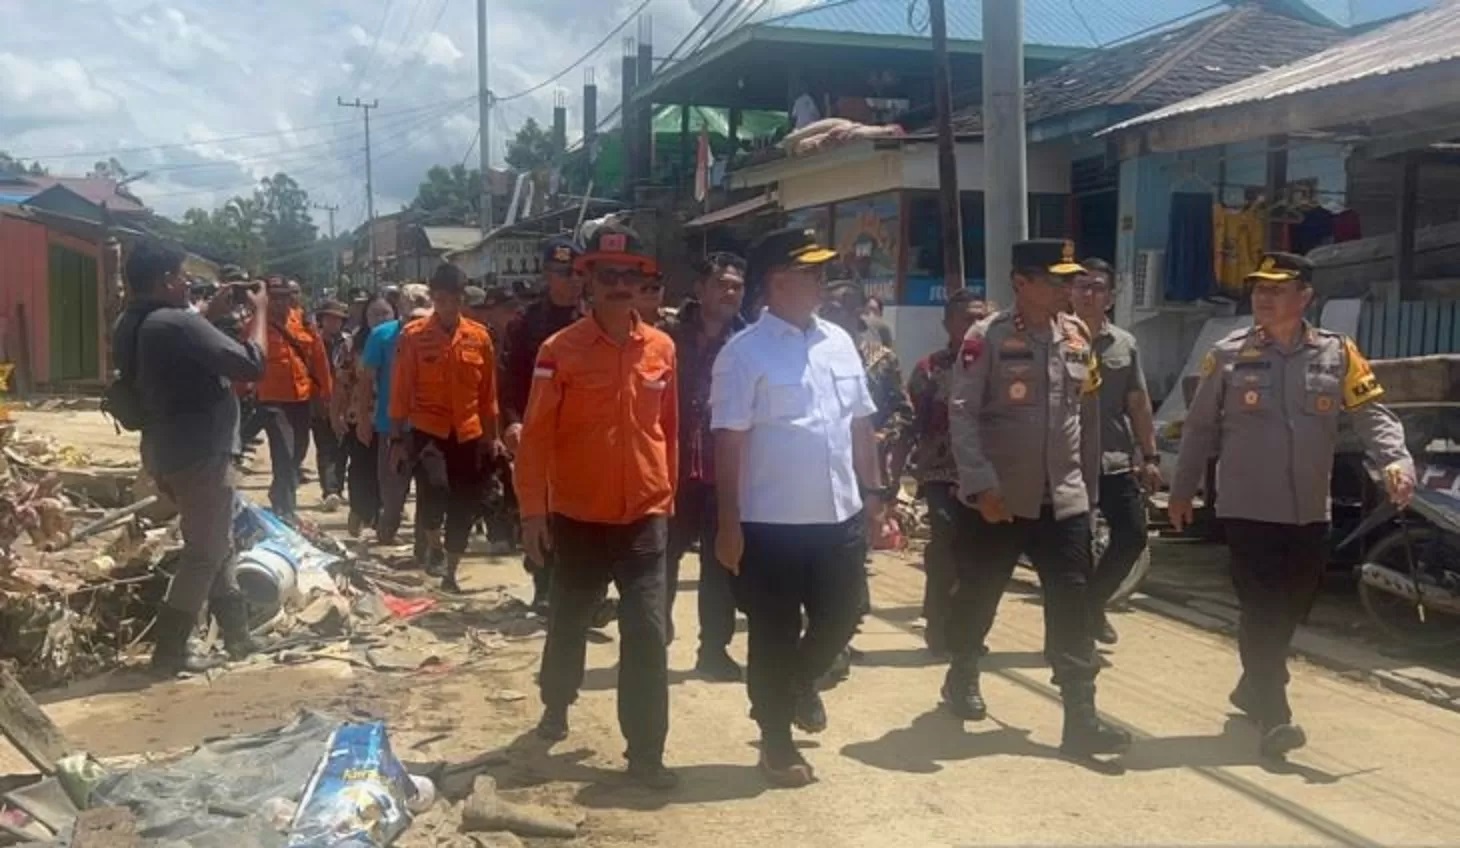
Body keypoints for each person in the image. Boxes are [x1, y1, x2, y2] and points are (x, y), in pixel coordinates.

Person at [1169, 251, 1415, 758]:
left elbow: (1372, 412)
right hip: (1246, 507)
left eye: (1277, 289)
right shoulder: (1229, 353)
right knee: (1261, 607)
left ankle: (1251, 683)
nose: (1263, 297)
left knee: (1292, 605)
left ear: (1305, 297)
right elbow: (1199, 428)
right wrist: (1182, 488)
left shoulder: (1338, 353)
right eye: (1259, 288)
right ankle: (1274, 713)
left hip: (1308, 508)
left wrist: (1397, 460)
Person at [711, 227, 886, 788]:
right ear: (778, 283)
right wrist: (727, 525)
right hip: (770, 525)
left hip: (839, 516)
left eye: (821, 274)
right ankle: (776, 740)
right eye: (810, 274)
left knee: (845, 613)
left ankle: (798, 683)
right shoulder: (743, 354)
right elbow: (729, 442)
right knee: (773, 632)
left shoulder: (838, 340)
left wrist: (876, 495)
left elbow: (860, 424)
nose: (822, 284)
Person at [946, 238, 1131, 759]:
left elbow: (1086, 418)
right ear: (1021, 284)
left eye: (1068, 279)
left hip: (1064, 499)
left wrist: (1089, 493)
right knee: (980, 595)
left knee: (1072, 604)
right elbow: (962, 412)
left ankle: (1081, 718)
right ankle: (962, 671)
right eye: (1054, 279)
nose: (1065, 288)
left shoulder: (1077, 337)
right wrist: (980, 485)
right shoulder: (987, 337)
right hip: (1000, 501)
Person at [515, 223, 680, 790]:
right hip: (579, 517)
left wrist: (670, 494)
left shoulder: (662, 349)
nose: (617, 285)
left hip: (645, 517)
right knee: (568, 622)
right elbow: (535, 436)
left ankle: (646, 753)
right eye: (605, 275)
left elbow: (669, 429)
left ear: (641, 285)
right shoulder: (557, 352)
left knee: (648, 631)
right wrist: (533, 512)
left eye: (627, 276)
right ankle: (557, 703)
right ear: (587, 282)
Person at [113, 240, 266, 674]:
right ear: (165, 281)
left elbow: (176, 340)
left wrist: (208, 315)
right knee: (205, 551)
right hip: (200, 453)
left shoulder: (133, 321)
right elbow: (252, 365)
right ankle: (170, 651)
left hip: (164, 451)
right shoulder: (176, 322)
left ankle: (236, 635)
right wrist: (260, 312)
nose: (187, 284)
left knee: (217, 542)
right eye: (181, 277)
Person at [663, 251, 748, 680]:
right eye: (722, 284)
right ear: (700, 289)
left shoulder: (749, 343)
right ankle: (652, 640)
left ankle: (713, 650)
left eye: (737, 285)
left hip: (724, 471)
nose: (730, 292)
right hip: (669, 470)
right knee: (663, 557)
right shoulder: (665, 336)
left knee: (722, 565)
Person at [1069, 259, 1162, 646]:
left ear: (1110, 297)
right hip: (1065, 463)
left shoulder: (1124, 344)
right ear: (1070, 293)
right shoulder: (1054, 338)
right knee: (1071, 550)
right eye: (1082, 287)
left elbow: (1137, 402)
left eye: (1097, 288)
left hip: (1113, 459)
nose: (1089, 294)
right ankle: (1069, 627)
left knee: (1132, 535)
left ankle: (1092, 604)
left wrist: (1150, 456)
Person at [389, 265, 498, 592]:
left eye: (452, 300)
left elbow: (488, 393)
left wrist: (492, 439)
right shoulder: (414, 336)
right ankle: (433, 543)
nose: (446, 306)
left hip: (469, 432)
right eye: (440, 299)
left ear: (462, 299)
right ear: (433, 299)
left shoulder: (479, 337)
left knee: (464, 505)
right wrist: (396, 437)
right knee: (435, 489)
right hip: (428, 430)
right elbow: (401, 390)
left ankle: (450, 571)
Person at [898, 288, 993, 656]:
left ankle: (967, 630)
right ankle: (938, 625)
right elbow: (909, 424)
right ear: (948, 324)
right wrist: (892, 482)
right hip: (940, 473)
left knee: (980, 556)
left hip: (986, 476)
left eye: (980, 317)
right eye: (967, 318)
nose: (974, 325)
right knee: (946, 545)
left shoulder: (999, 363)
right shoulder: (929, 369)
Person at [501, 237, 585, 611]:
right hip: (537, 430)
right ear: (547, 276)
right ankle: (544, 584)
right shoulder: (527, 323)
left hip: (583, 433)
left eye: (575, 274)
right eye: (562, 274)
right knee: (541, 509)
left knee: (578, 512)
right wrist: (513, 423)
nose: (570, 282)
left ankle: (579, 590)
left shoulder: (592, 320)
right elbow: (509, 379)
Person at [256, 277, 332, 522]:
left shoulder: (303, 322)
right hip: (272, 401)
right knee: (284, 452)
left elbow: (318, 358)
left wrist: (325, 396)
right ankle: (286, 510)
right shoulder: (255, 325)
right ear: (266, 298)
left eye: (284, 296)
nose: (280, 302)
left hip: (301, 397)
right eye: (275, 297)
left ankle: (279, 491)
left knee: (299, 450)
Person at [363, 284, 433, 545]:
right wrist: (362, 417)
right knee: (393, 494)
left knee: (430, 490)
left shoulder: (441, 335)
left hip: (430, 425)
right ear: (400, 311)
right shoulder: (382, 335)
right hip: (391, 425)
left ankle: (423, 549)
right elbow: (366, 379)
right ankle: (386, 531)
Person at [335, 295, 396, 536]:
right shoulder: (351, 346)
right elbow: (340, 382)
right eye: (374, 314)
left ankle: (380, 516)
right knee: (361, 466)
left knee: (386, 470)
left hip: (391, 417)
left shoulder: (401, 340)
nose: (380, 319)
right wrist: (336, 412)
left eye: (385, 313)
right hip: (359, 415)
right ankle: (360, 509)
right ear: (365, 317)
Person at [312, 299, 351, 512]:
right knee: (325, 446)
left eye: (338, 319)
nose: (334, 323)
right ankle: (330, 490)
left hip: (343, 402)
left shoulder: (347, 343)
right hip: (319, 401)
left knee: (342, 448)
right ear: (322, 319)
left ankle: (338, 488)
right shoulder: (313, 341)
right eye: (330, 318)